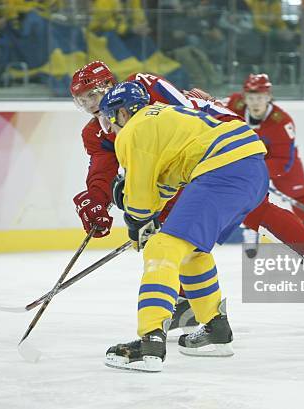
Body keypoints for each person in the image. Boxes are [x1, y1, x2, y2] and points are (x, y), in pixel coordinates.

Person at [99, 81, 269, 372]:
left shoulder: (133, 131)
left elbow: (140, 199)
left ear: (123, 113)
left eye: (109, 118)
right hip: (250, 169)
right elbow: (165, 183)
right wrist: (146, 220)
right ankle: (215, 330)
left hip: (222, 170)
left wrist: (137, 222)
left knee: (161, 248)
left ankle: (150, 342)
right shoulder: (163, 116)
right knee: (191, 250)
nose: (109, 127)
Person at [225, 73, 304, 251]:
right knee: (244, 196)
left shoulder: (282, 122)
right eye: (251, 98)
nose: (255, 102)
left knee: (302, 202)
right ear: (244, 97)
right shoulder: (232, 105)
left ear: (269, 97)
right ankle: (250, 230)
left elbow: (284, 161)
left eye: (260, 97)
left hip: (280, 162)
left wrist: (255, 171)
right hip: (246, 159)